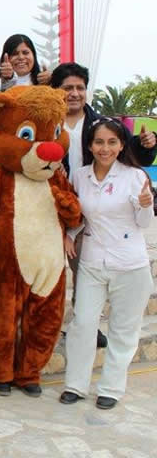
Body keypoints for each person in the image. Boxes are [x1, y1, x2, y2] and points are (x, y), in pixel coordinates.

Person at [52, 62, 157, 347]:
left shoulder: (98, 123)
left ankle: (84, 325)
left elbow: (126, 150)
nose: (74, 93)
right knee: (48, 272)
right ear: (56, 91)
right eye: (67, 88)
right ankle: (46, 325)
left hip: (86, 208)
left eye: (79, 88)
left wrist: (147, 145)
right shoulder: (47, 121)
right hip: (49, 206)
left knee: (83, 271)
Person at [61, 118, 154, 410]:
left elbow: (143, 222)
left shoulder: (135, 177)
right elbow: (79, 213)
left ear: (122, 145)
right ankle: (75, 384)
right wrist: (69, 234)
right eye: (99, 142)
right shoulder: (80, 176)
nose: (105, 148)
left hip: (130, 264)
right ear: (90, 145)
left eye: (112, 142)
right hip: (92, 261)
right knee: (83, 324)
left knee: (123, 330)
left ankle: (111, 388)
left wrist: (146, 204)